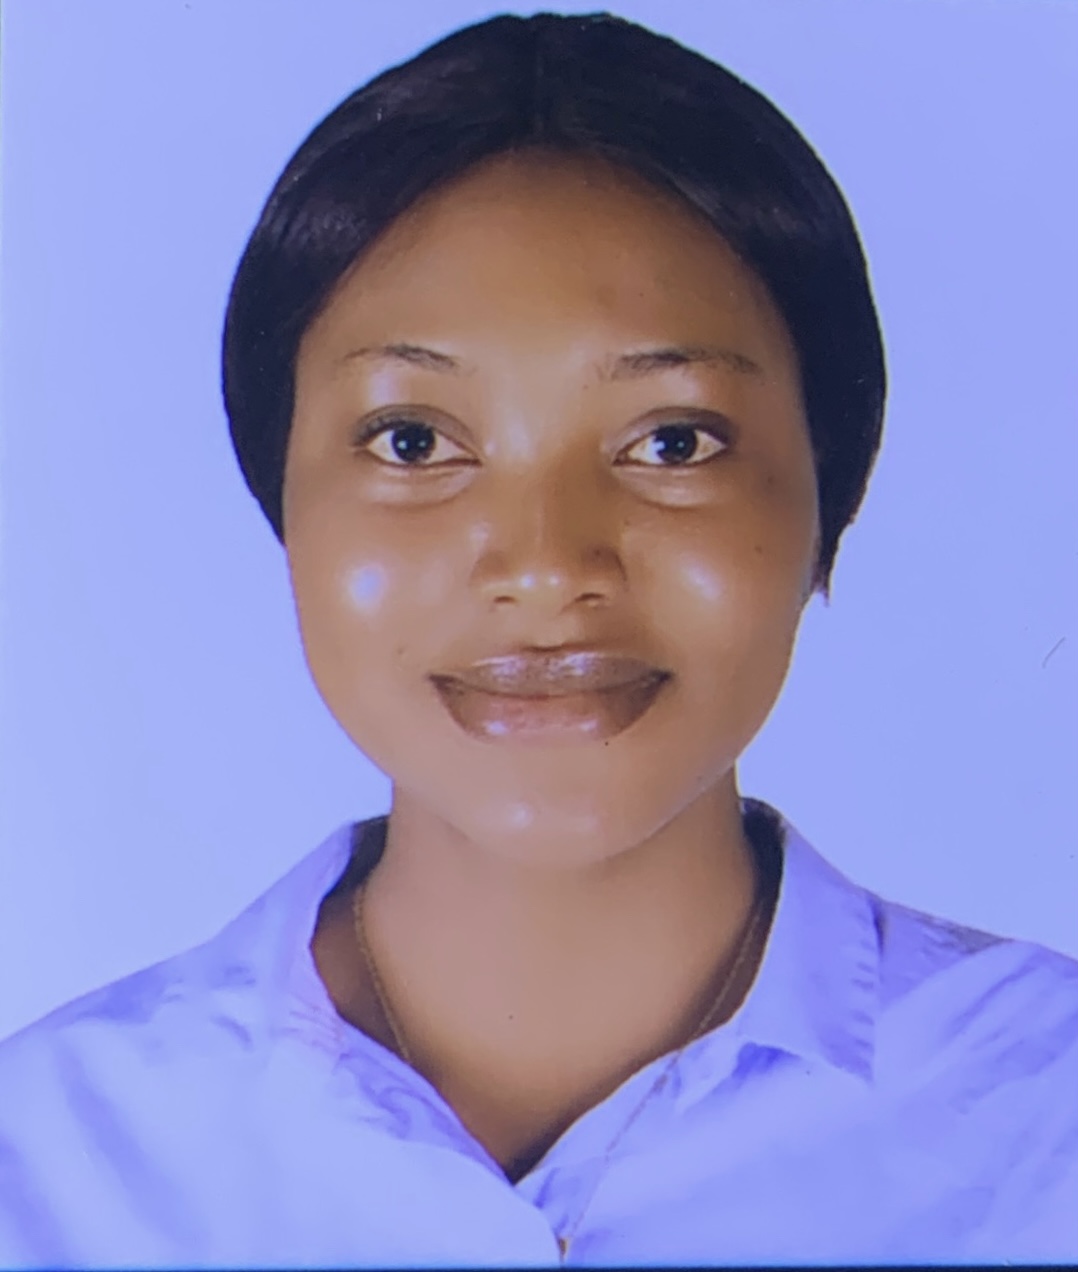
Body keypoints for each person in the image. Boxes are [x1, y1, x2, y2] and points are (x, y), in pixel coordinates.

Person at [0, 11, 1075, 1268]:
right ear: (281, 496)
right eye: (414, 441)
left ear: (827, 491)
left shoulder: (1044, 1121)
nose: (548, 567)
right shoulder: (44, 1165)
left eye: (671, 441)